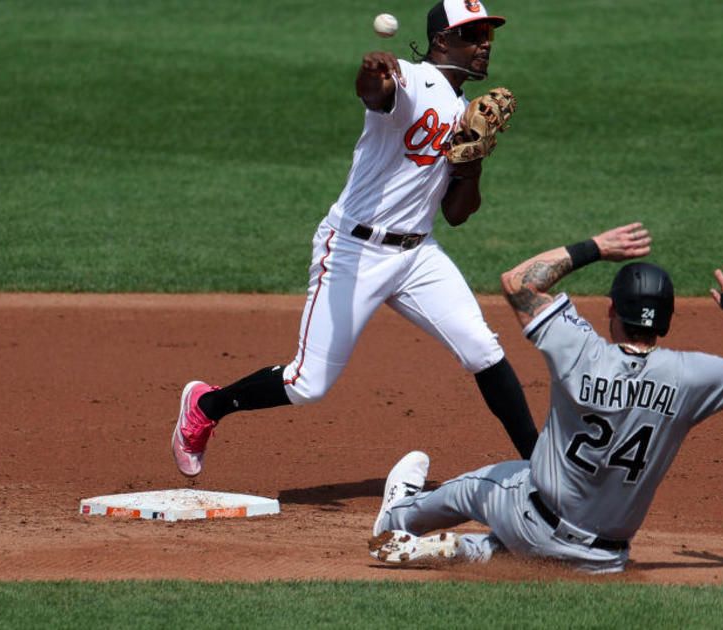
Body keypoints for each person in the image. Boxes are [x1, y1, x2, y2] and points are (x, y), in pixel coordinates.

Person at [171, 0, 538, 477]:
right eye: (473, 35)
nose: (484, 44)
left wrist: (471, 166)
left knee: (482, 350)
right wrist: (373, 71)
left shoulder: (464, 112)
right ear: (442, 41)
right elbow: (375, 93)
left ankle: (544, 466)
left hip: (418, 255)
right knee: (308, 384)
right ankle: (206, 405)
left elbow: (456, 215)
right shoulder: (409, 80)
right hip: (353, 251)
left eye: (488, 34)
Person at [367, 222, 723, 573]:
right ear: (666, 321)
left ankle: (399, 516)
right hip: (602, 559)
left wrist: (597, 247)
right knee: (531, 530)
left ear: (611, 310)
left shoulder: (580, 349)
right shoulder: (694, 375)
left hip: (532, 520)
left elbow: (518, 282)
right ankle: (470, 552)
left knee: (484, 484)